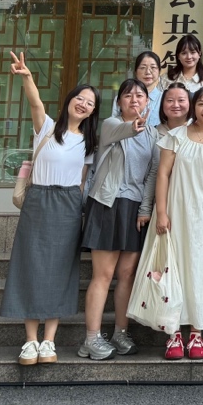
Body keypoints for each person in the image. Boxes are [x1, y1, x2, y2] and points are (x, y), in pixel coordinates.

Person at [0, 51, 99, 367]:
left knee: (60, 270)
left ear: (93, 111)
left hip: (68, 205)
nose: (83, 104)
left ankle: (49, 340)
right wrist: (27, 77)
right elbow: (35, 103)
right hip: (38, 201)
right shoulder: (46, 127)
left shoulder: (88, 142)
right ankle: (30, 340)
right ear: (70, 100)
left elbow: (82, 181)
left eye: (89, 103)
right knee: (30, 265)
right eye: (79, 98)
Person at [78, 77, 159, 360]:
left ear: (148, 101)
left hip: (134, 209)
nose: (134, 100)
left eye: (140, 96)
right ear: (119, 102)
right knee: (103, 275)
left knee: (126, 275)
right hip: (106, 203)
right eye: (128, 96)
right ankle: (91, 338)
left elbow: (152, 173)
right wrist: (134, 125)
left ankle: (120, 333)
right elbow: (125, 130)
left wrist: (145, 209)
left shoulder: (153, 135)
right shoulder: (111, 125)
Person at [153, 86, 203, 360]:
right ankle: (173, 333)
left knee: (202, 270)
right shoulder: (175, 136)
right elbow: (163, 174)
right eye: (201, 103)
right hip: (177, 212)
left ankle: (196, 334)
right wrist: (161, 211)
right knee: (174, 272)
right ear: (193, 107)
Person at [132, 51, 164, 128]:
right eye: (142, 68)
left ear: (159, 71)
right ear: (135, 72)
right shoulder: (124, 97)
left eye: (153, 67)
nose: (148, 72)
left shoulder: (165, 99)